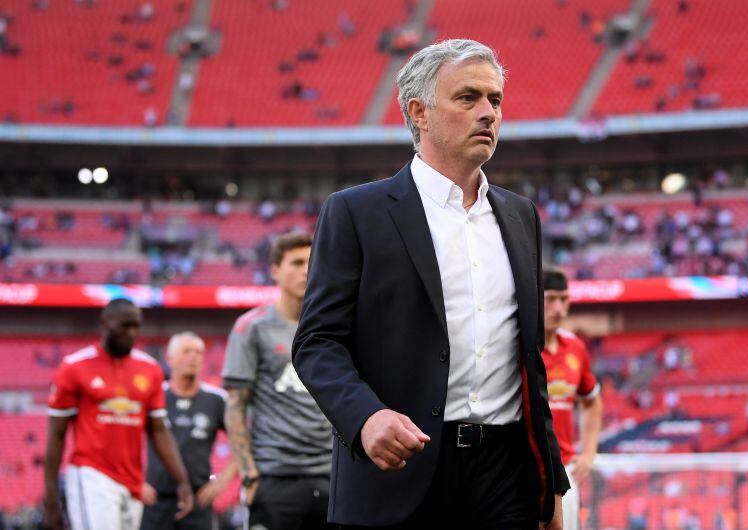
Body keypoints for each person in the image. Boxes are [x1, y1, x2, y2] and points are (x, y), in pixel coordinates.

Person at [293, 39, 569, 529]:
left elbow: (530, 361)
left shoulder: (520, 215)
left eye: (495, 100)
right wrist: (365, 418)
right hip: (400, 469)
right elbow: (317, 342)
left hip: (507, 475)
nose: (488, 112)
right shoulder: (357, 212)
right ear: (419, 112)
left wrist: (551, 483)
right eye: (468, 98)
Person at [43, 298, 193, 530]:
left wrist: (182, 480)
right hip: (92, 475)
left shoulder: (150, 369)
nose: (131, 333)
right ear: (105, 323)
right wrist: (50, 500)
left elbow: (160, 431)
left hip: (133, 483)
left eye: (136, 326)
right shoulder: (74, 367)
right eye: (125, 326)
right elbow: (56, 435)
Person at [222, 232, 332, 530]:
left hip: (331, 479)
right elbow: (235, 407)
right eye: (296, 263)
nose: (306, 270)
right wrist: (250, 475)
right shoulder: (252, 327)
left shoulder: (335, 327)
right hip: (276, 480)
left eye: (312, 262)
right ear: (274, 271)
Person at [140, 332, 238, 530]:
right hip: (156, 501)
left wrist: (221, 482)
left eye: (198, 352)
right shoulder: (153, 396)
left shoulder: (216, 400)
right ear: (170, 359)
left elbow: (243, 443)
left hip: (198, 501)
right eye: (186, 352)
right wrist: (136, 483)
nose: (193, 357)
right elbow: (125, 437)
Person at [541, 266, 603, 530]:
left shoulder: (575, 348)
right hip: (522, 468)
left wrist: (588, 453)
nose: (558, 308)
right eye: (551, 299)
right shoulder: (518, 345)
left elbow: (592, 400)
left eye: (564, 299)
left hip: (564, 469)